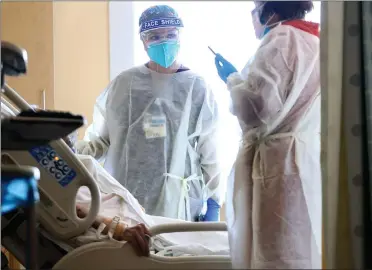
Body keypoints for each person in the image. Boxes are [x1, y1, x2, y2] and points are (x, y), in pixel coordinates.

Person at [74, 5, 223, 223]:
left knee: (171, 251)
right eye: (155, 36)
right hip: (125, 197)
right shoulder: (126, 84)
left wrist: (214, 201)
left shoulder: (196, 87)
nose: (164, 42)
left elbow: (209, 151)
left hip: (178, 202)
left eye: (170, 35)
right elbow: (102, 141)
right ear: (143, 41)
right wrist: (70, 149)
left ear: (179, 37)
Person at [213, 1, 321, 269]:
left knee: (275, 252)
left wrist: (233, 80)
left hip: (278, 164)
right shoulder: (316, 40)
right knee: (303, 248)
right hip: (305, 158)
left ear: (270, 11)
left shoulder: (281, 38)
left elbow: (257, 108)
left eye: (256, 6)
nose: (253, 14)